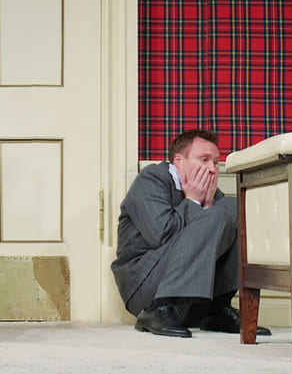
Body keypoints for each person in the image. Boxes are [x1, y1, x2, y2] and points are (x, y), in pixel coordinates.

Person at [111, 129, 271, 338]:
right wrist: (193, 201)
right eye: (204, 160)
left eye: (215, 162)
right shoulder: (152, 178)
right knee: (220, 213)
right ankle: (157, 309)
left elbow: (215, 229)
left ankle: (216, 309)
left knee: (234, 208)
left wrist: (208, 204)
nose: (212, 169)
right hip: (144, 286)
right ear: (179, 160)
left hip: (189, 296)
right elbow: (160, 234)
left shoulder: (209, 191)